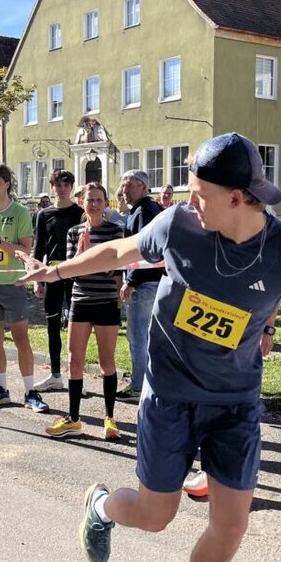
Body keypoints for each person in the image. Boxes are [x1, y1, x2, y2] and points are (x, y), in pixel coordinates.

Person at [18, 133, 281, 562]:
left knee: (232, 524)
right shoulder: (178, 224)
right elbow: (118, 250)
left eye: (199, 193)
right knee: (156, 515)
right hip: (170, 394)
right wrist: (57, 271)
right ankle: (102, 507)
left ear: (237, 197)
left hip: (235, 403)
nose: (187, 200)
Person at [44, 182, 126, 440]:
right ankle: (73, 419)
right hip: (80, 301)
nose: (94, 204)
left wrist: (88, 257)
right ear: (82, 203)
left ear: (106, 203)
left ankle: (110, 418)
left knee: (106, 362)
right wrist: (82, 254)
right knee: (74, 361)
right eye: (90, 200)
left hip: (106, 301)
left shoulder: (115, 231)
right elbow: (72, 272)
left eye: (99, 200)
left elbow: (114, 269)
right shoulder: (74, 232)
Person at [0, 164, 49, 413]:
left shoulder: (20, 213)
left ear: (7, 184)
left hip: (14, 284)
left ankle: (30, 392)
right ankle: (2, 389)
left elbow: (25, 249)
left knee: (21, 338)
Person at [32, 169, 83, 392]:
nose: (62, 189)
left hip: (75, 272)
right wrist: (37, 279)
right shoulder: (44, 215)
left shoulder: (80, 212)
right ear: (52, 188)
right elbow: (38, 248)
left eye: (66, 185)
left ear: (71, 187)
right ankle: (55, 374)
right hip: (52, 273)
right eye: (58, 185)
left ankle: (76, 376)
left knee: (77, 326)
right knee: (52, 325)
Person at [117, 169, 165, 399]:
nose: (124, 190)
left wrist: (131, 281)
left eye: (129, 185)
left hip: (145, 282)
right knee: (146, 335)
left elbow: (145, 249)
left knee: (138, 335)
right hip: (151, 281)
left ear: (144, 187)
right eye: (123, 185)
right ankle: (148, 383)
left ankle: (139, 385)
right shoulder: (142, 209)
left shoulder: (145, 210)